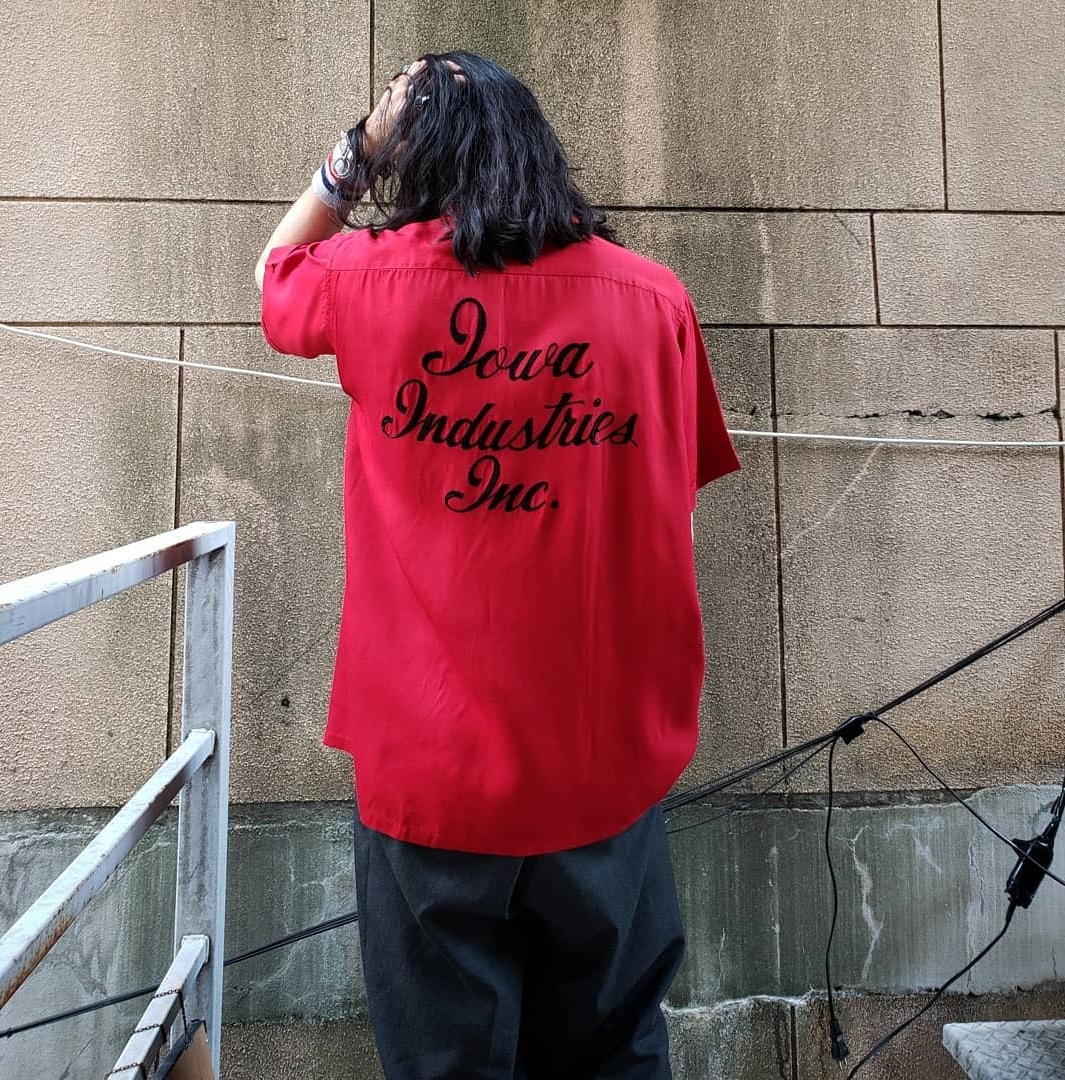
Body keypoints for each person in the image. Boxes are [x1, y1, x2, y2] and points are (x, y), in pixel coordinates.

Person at [256, 50, 740, 1080]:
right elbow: (679, 504)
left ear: (413, 158)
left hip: (431, 774)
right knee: (614, 1055)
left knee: (446, 1062)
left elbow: (273, 276)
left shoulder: (364, 278)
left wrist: (358, 151)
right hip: (602, 765)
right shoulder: (654, 300)